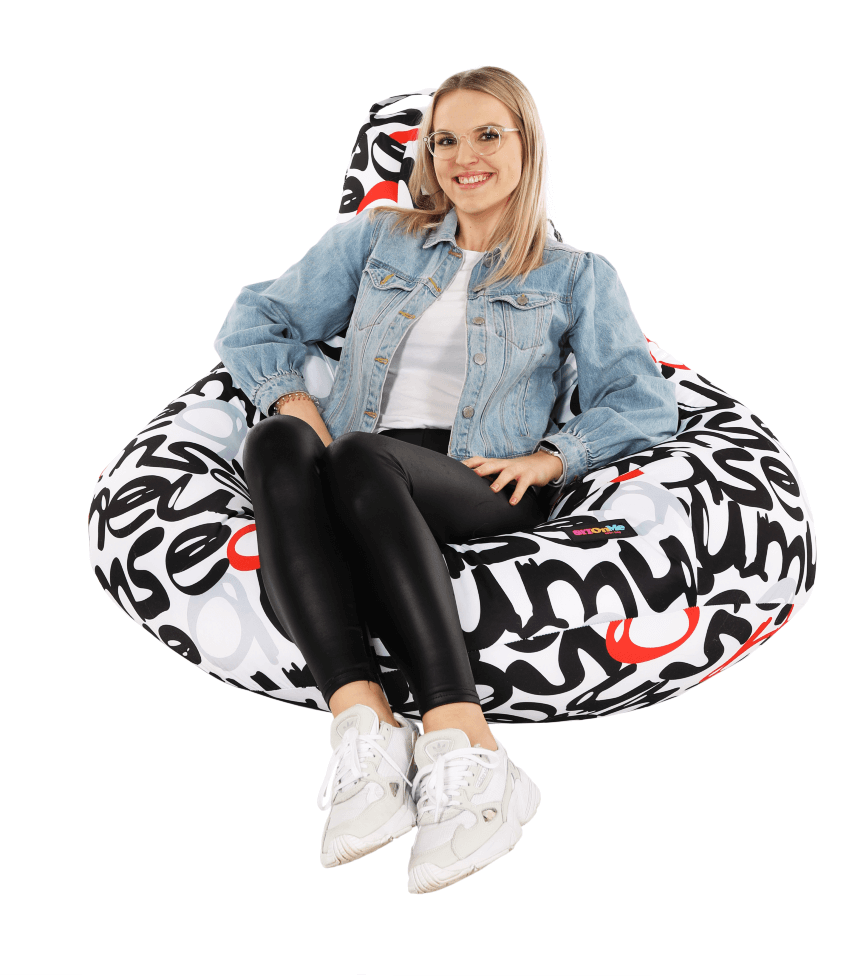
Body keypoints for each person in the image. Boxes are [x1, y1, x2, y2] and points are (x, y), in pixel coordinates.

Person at [214, 66, 679, 893]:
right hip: (356, 463)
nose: (466, 157)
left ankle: (469, 745)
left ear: (527, 146)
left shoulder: (575, 274)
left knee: (359, 456)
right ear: (428, 156)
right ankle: (365, 731)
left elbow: (642, 399)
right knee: (278, 441)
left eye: (488, 135)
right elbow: (257, 317)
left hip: (474, 478)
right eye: (446, 140)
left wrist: (554, 456)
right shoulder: (377, 239)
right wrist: (295, 400)